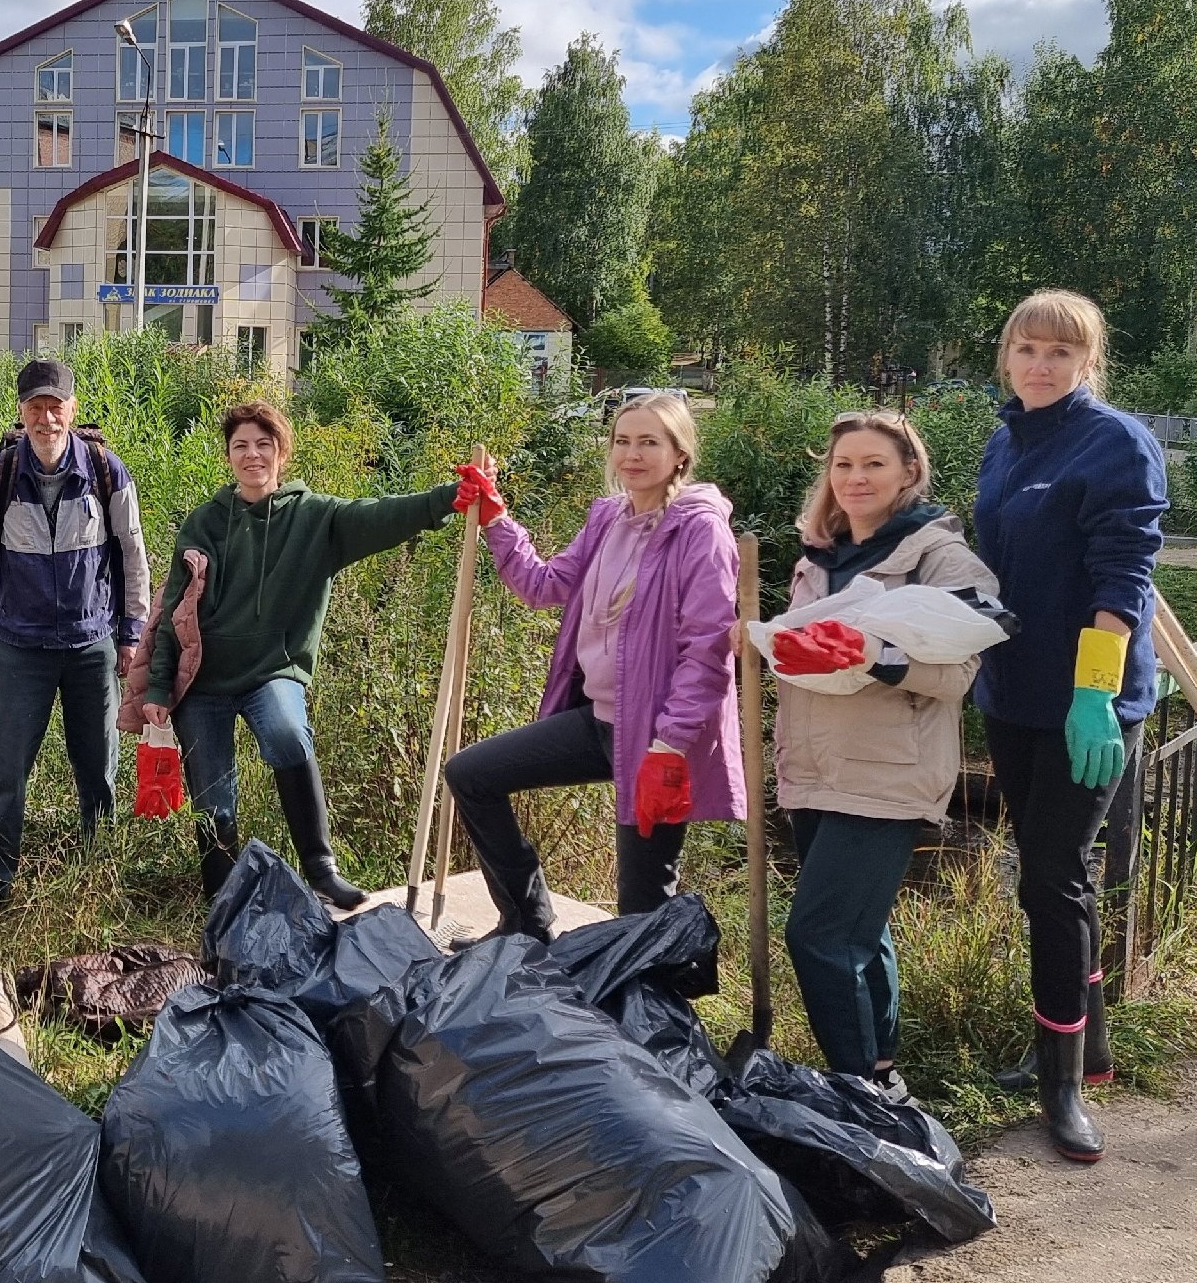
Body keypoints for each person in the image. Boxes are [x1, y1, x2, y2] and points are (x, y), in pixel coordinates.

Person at [972, 289, 1166, 1164]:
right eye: (1027, 348)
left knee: (1050, 882)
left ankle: (1062, 1088)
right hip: (1011, 694)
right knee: (1058, 879)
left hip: (1086, 708)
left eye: (1060, 351)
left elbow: (1122, 576)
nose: (1041, 364)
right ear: (1007, 356)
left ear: (1089, 361)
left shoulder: (1116, 443)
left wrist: (1098, 692)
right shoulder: (1005, 441)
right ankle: (1086, 1047)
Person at [138, 399, 466, 908]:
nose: (252, 455)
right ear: (228, 455)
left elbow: (383, 514)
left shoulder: (316, 518)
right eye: (241, 446)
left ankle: (321, 868)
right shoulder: (204, 523)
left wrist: (451, 497)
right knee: (213, 797)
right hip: (202, 681)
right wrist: (158, 687)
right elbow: (173, 612)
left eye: (263, 445)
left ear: (281, 453)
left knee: (288, 733)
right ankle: (223, 898)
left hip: (272, 671)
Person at [445, 390, 744, 935]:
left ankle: (654, 1013)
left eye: (649, 442)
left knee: (643, 899)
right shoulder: (609, 516)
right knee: (471, 774)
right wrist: (496, 518)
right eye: (622, 441)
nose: (632, 454)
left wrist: (672, 745)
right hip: (601, 720)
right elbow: (545, 584)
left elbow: (708, 649)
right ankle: (526, 920)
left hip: (657, 740)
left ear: (680, 453)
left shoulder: (700, 530)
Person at [769, 411, 1004, 1103]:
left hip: (889, 771)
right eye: (843, 465)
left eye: (874, 464)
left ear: (909, 472)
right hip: (813, 768)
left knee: (817, 934)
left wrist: (876, 656)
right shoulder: (818, 557)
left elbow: (960, 669)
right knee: (859, 936)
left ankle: (855, 1091)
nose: (856, 478)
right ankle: (883, 1074)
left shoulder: (937, 558)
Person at [0, 357, 149, 905]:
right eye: (36, 407)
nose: (47, 418)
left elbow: (134, 556)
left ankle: (99, 871)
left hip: (92, 644)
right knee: (7, 768)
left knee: (98, 765)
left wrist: (132, 632)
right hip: (20, 647)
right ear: (22, 413)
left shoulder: (108, 471)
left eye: (55, 406)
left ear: (73, 408)